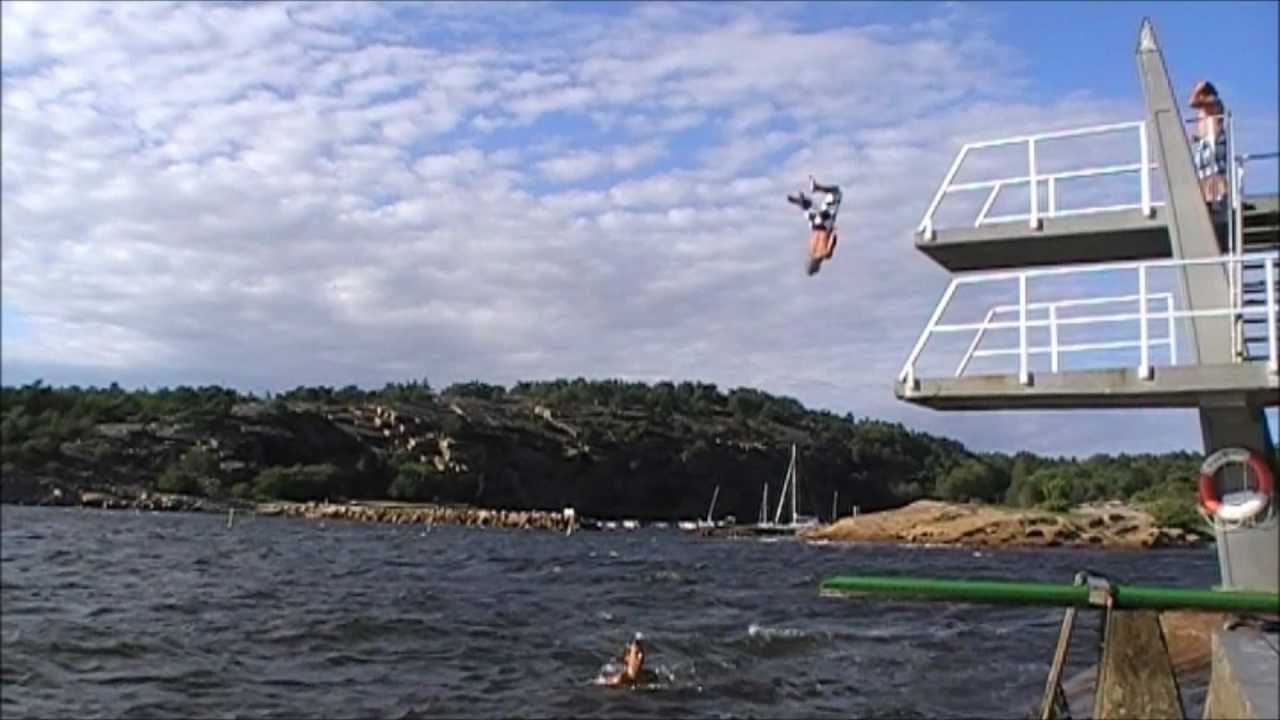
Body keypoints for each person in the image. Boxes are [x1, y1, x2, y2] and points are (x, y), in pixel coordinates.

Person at [1188, 81, 1229, 217]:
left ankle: (1223, 198)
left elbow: (1192, 102)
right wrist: (1197, 137)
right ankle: (1208, 200)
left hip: (1214, 140)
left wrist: (1199, 87)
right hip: (1204, 142)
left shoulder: (1213, 100)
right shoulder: (1204, 107)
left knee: (1216, 171)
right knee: (1203, 173)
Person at [787, 176, 842, 276]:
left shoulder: (825, 254)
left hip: (825, 225)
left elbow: (833, 240)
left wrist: (833, 231)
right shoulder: (810, 251)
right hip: (813, 225)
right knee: (813, 208)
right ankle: (804, 204)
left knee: (836, 192)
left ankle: (816, 189)